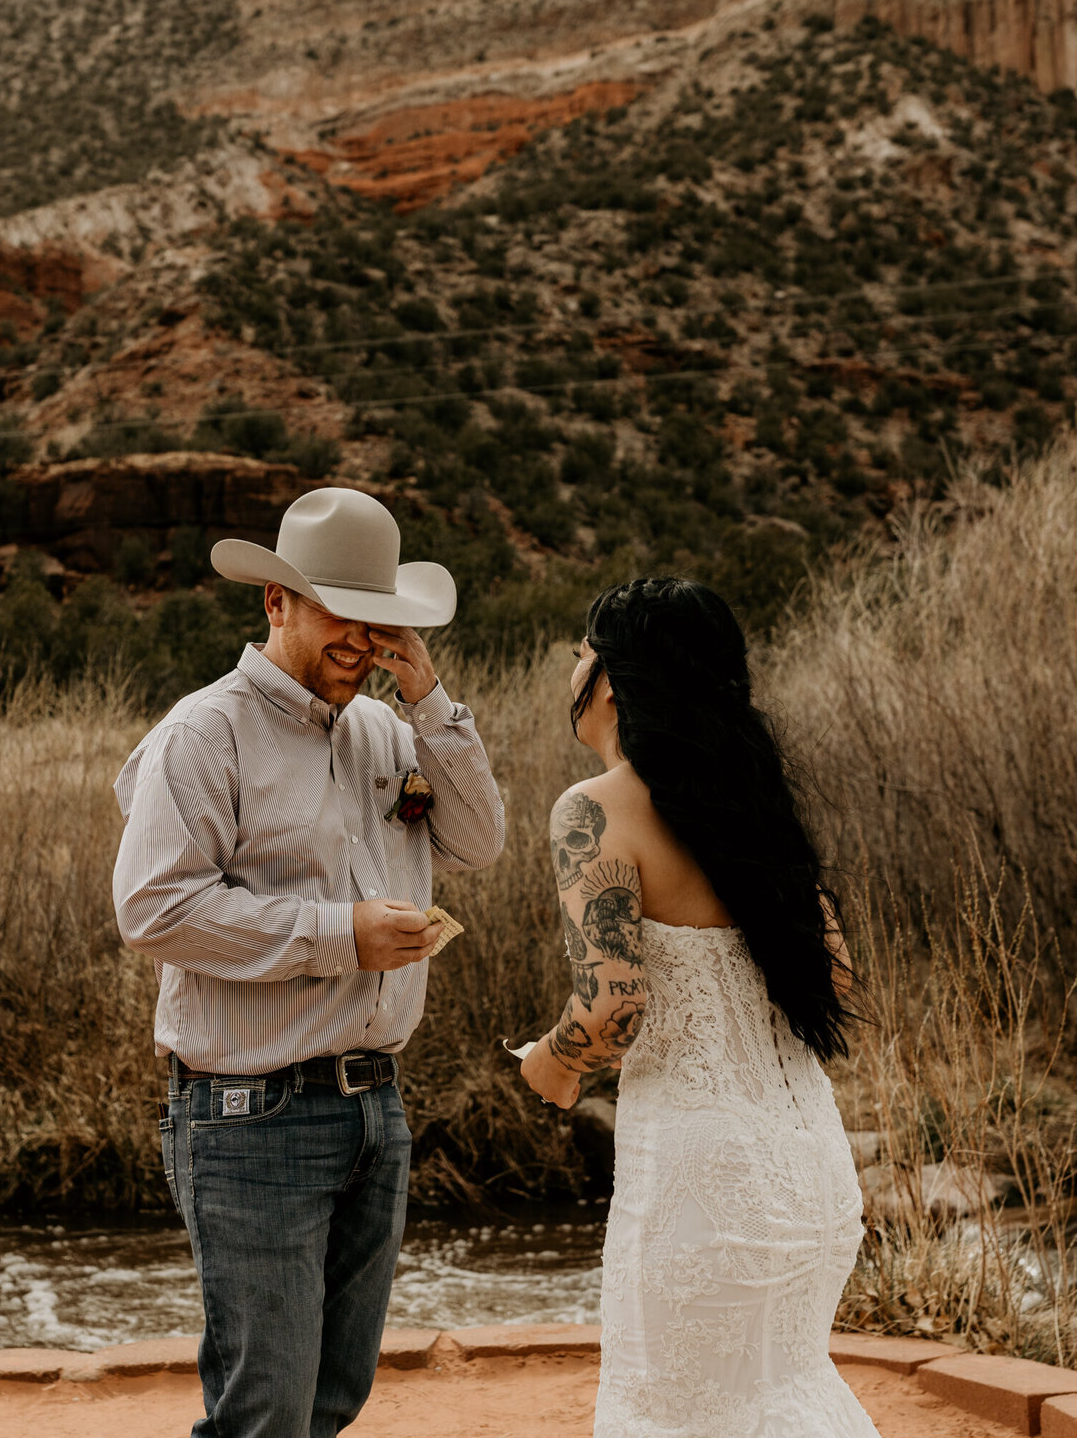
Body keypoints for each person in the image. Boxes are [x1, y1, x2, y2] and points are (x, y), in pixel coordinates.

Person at [112, 486, 504, 1438]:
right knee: (267, 1414)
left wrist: (429, 695)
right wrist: (343, 936)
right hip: (249, 1117)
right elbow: (153, 908)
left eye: (377, 621)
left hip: (378, 1106)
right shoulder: (205, 734)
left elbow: (481, 840)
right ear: (274, 602)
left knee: (331, 1402)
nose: (360, 639)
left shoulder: (387, 728)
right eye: (339, 612)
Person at [521, 576, 877, 1438]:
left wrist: (552, 1065)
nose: (574, 673)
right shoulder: (757, 810)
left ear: (606, 679)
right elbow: (838, 980)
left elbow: (613, 1002)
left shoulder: (595, 811)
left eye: (579, 655)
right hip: (810, 1170)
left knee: (675, 1412)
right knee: (783, 1392)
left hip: (698, 1178)